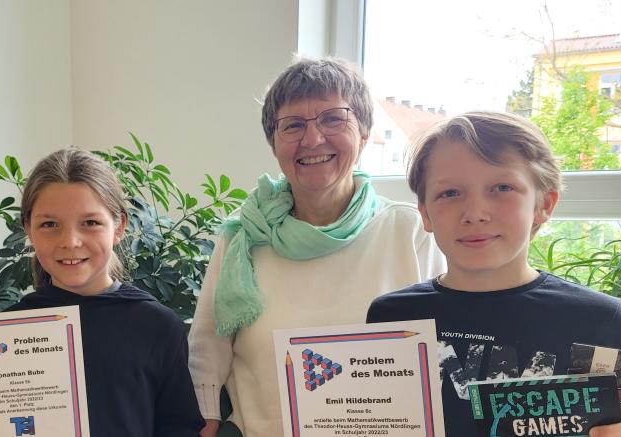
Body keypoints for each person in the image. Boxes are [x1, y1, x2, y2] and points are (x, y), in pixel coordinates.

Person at [188, 56, 446, 437]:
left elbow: (443, 353)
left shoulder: (411, 231)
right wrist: (206, 421)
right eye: (292, 126)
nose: (312, 139)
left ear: (363, 133)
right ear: (274, 143)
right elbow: (207, 347)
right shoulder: (242, 238)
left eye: (332, 119)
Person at [366, 110, 621, 436]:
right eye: (449, 193)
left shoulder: (598, 320)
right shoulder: (392, 317)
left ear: (544, 205)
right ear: (425, 214)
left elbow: (617, 424)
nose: (475, 213)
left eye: (501, 187)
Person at [0, 149, 205, 437]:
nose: (70, 241)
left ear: (119, 226)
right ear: (28, 229)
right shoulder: (3, 334)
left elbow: (180, 429)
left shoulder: (158, 327)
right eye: (49, 225)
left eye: (90, 223)